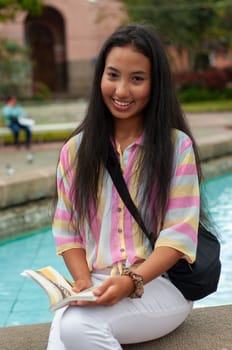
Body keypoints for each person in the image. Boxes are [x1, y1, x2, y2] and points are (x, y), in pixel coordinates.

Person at [48, 23, 204, 349]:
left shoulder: (177, 148)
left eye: (137, 79)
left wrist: (131, 280)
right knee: (62, 338)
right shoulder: (75, 150)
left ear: (155, 84)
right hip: (96, 282)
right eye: (113, 75)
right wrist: (82, 282)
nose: (121, 91)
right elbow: (67, 230)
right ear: (100, 77)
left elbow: (178, 236)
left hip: (158, 284)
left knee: (75, 329)